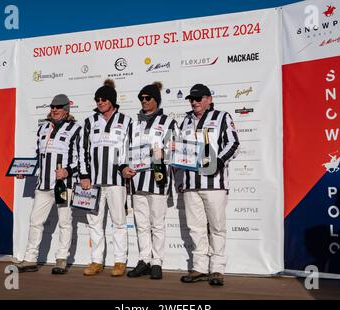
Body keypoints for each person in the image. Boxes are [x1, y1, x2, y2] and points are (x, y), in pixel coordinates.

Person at [178, 84, 239, 286]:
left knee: (217, 227)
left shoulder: (223, 117)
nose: (194, 102)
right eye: (191, 99)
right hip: (190, 184)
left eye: (198, 98)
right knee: (195, 228)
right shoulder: (185, 120)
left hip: (214, 183)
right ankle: (200, 267)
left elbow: (233, 143)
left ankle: (217, 270)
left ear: (209, 99)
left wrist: (218, 162)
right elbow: (179, 147)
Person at [16, 94, 81, 275]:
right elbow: (38, 156)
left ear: (66, 110)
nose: (54, 109)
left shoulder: (76, 129)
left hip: (63, 185)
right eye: (52, 106)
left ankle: (61, 259)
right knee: (35, 222)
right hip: (43, 185)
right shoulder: (43, 128)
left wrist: (68, 171)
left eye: (58, 107)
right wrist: (25, 170)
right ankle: (30, 259)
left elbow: (82, 158)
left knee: (65, 222)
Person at [79, 79, 134, 277]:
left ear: (112, 100)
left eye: (103, 99)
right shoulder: (89, 122)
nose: (100, 102)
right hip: (92, 182)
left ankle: (119, 261)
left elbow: (130, 149)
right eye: (97, 99)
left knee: (119, 222)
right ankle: (96, 261)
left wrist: (126, 167)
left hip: (117, 181)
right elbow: (82, 151)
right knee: (94, 222)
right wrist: (84, 175)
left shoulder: (126, 121)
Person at [126, 82, 178, 280]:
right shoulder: (134, 124)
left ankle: (157, 262)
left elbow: (177, 149)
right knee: (141, 224)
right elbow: (124, 150)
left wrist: (163, 152)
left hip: (158, 181)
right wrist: (123, 167)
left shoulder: (168, 122)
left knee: (157, 224)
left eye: (148, 98)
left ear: (156, 99)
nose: (144, 101)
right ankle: (144, 260)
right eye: (141, 98)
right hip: (138, 182)